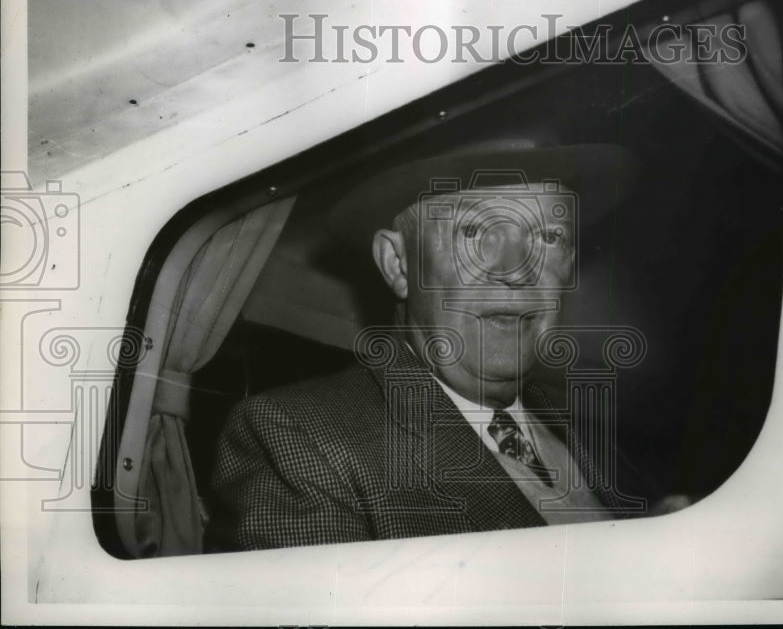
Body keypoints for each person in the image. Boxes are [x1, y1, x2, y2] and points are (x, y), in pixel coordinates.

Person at [208, 140, 646, 551]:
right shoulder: (298, 442)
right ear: (398, 264)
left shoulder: (585, 427)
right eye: (474, 233)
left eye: (549, 237)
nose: (517, 270)